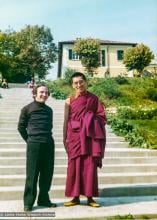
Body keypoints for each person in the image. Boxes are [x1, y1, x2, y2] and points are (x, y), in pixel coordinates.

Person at [63, 72, 107, 208]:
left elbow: (102, 117)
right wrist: (65, 139)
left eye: (81, 82)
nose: (78, 85)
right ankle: (75, 197)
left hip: (89, 138)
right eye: (75, 83)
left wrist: (89, 120)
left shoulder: (94, 99)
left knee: (89, 167)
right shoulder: (69, 100)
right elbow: (66, 121)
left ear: (86, 82)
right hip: (75, 137)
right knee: (74, 167)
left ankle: (90, 198)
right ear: (72, 85)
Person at [18, 84, 56, 212]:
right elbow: (21, 127)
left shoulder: (49, 110)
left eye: (46, 92)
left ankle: (44, 199)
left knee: (47, 174)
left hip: (48, 144)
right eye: (41, 92)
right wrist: (29, 140)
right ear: (34, 93)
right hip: (34, 144)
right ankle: (28, 202)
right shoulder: (27, 109)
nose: (44, 94)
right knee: (32, 174)